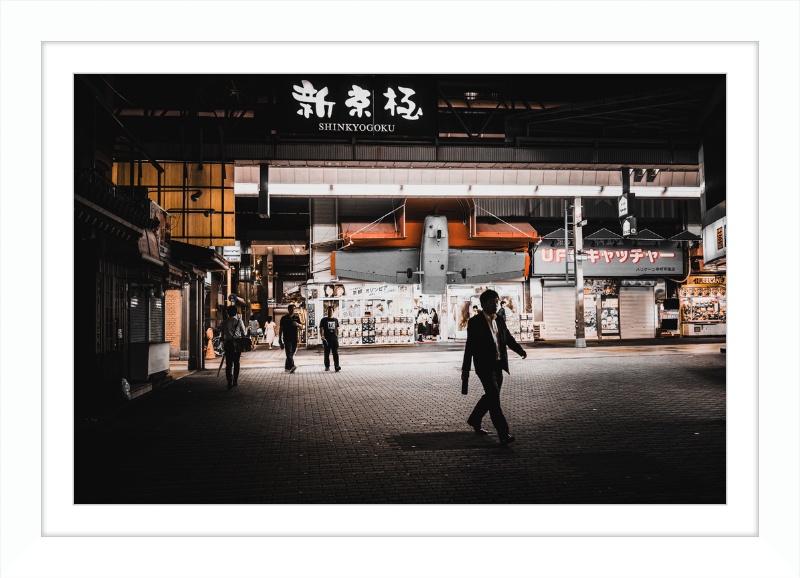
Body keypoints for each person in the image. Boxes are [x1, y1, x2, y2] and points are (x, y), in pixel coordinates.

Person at [461, 289, 527, 445]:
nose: (496, 304)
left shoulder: (499, 320)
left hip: (498, 365)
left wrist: (519, 350)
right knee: (494, 400)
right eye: (492, 301)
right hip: (484, 367)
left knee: (490, 397)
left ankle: (474, 420)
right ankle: (503, 434)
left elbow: (507, 338)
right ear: (483, 304)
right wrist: (466, 368)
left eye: (497, 301)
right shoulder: (475, 322)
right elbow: (469, 346)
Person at [221, 305, 247, 390]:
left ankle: (229, 380)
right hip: (236, 343)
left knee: (228, 363)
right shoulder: (239, 321)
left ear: (228, 313)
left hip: (228, 343)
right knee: (236, 362)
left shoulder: (224, 322)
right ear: (236, 312)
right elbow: (244, 333)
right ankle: (235, 380)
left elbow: (222, 336)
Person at [278, 305, 302, 373]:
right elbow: (281, 329)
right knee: (289, 352)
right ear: (288, 310)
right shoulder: (284, 318)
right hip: (287, 338)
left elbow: (302, 326)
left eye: (294, 309)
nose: (292, 310)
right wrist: (280, 339)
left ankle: (287, 367)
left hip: (294, 338)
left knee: (292, 352)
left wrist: (297, 324)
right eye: (291, 309)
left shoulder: (296, 318)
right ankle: (292, 366)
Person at [319, 306, 341, 372]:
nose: (329, 312)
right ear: (326, 311)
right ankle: (327, 366)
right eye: (328, 311)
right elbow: (321, 329)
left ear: (333, 311)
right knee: (326, 354)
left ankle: (337, 366)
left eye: (331, 310)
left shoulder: (336, 320)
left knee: (336, 354)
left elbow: (337, 330)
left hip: (334, 339)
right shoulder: (323, 320)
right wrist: (322, 336)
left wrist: (338, 339)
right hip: (327, 340)